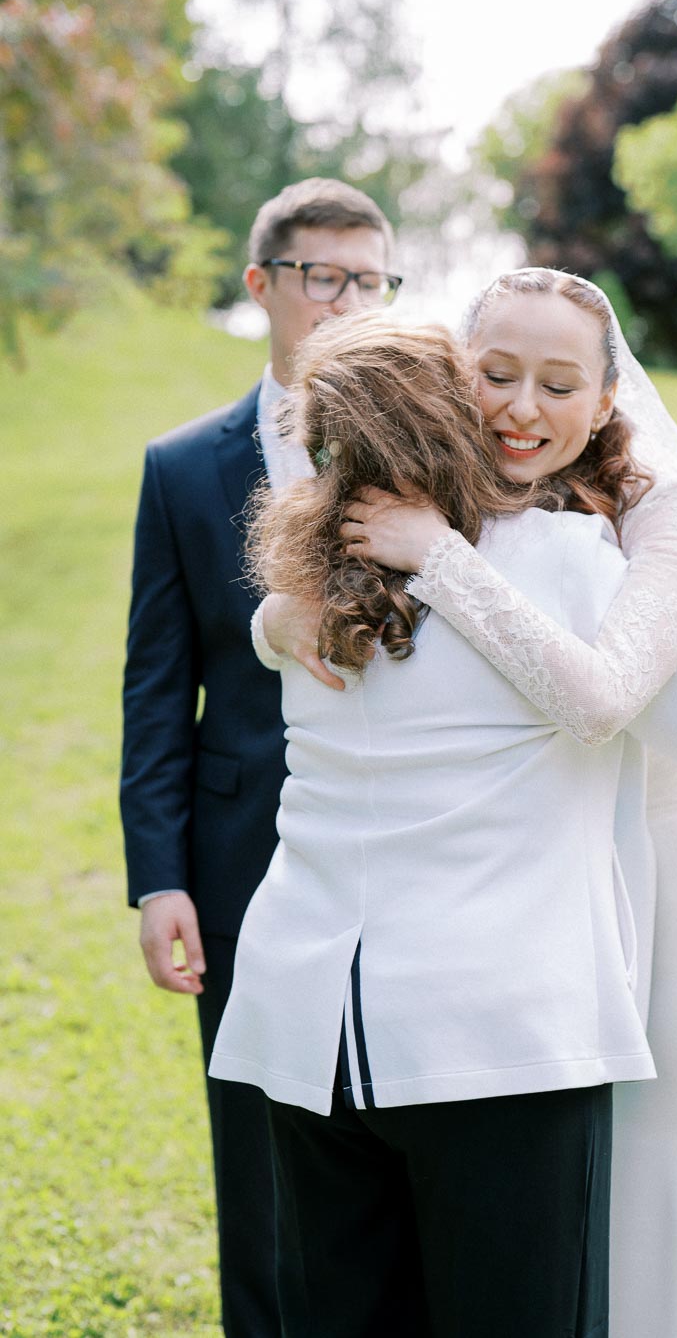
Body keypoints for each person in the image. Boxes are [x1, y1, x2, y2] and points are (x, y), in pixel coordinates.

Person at [209, 310, 677, 1338]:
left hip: (304, 1017)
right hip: (494, 1033)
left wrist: (271, 620)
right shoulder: (570, 561)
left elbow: (276, 630)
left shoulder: (303, 575)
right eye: (494, 378)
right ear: (455, 404)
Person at [119, 177, 402, 1337]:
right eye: (320, 277)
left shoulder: (422, 448)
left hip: (398, 843)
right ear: (262, 287)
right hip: (242, 855)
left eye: (370, 280)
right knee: (253, 1136)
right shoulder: (184, 467)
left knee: (384, 1124)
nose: (345, 303)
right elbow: (154, 685)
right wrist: (160, 876)